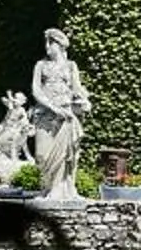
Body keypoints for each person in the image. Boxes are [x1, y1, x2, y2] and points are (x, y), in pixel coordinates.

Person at [27, 30, 93, 200]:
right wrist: (53, 107)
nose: (47, 46)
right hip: (44, 115)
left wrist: (84, 101)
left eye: (51, 43)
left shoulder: (71, 66)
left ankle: (62, 190)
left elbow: (77, 88)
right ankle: (47, 188)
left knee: (66, 155)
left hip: (65, 117)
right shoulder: (40, 65)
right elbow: (36, 90)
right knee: (42, 155)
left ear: (60, 45)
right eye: (47, 42)